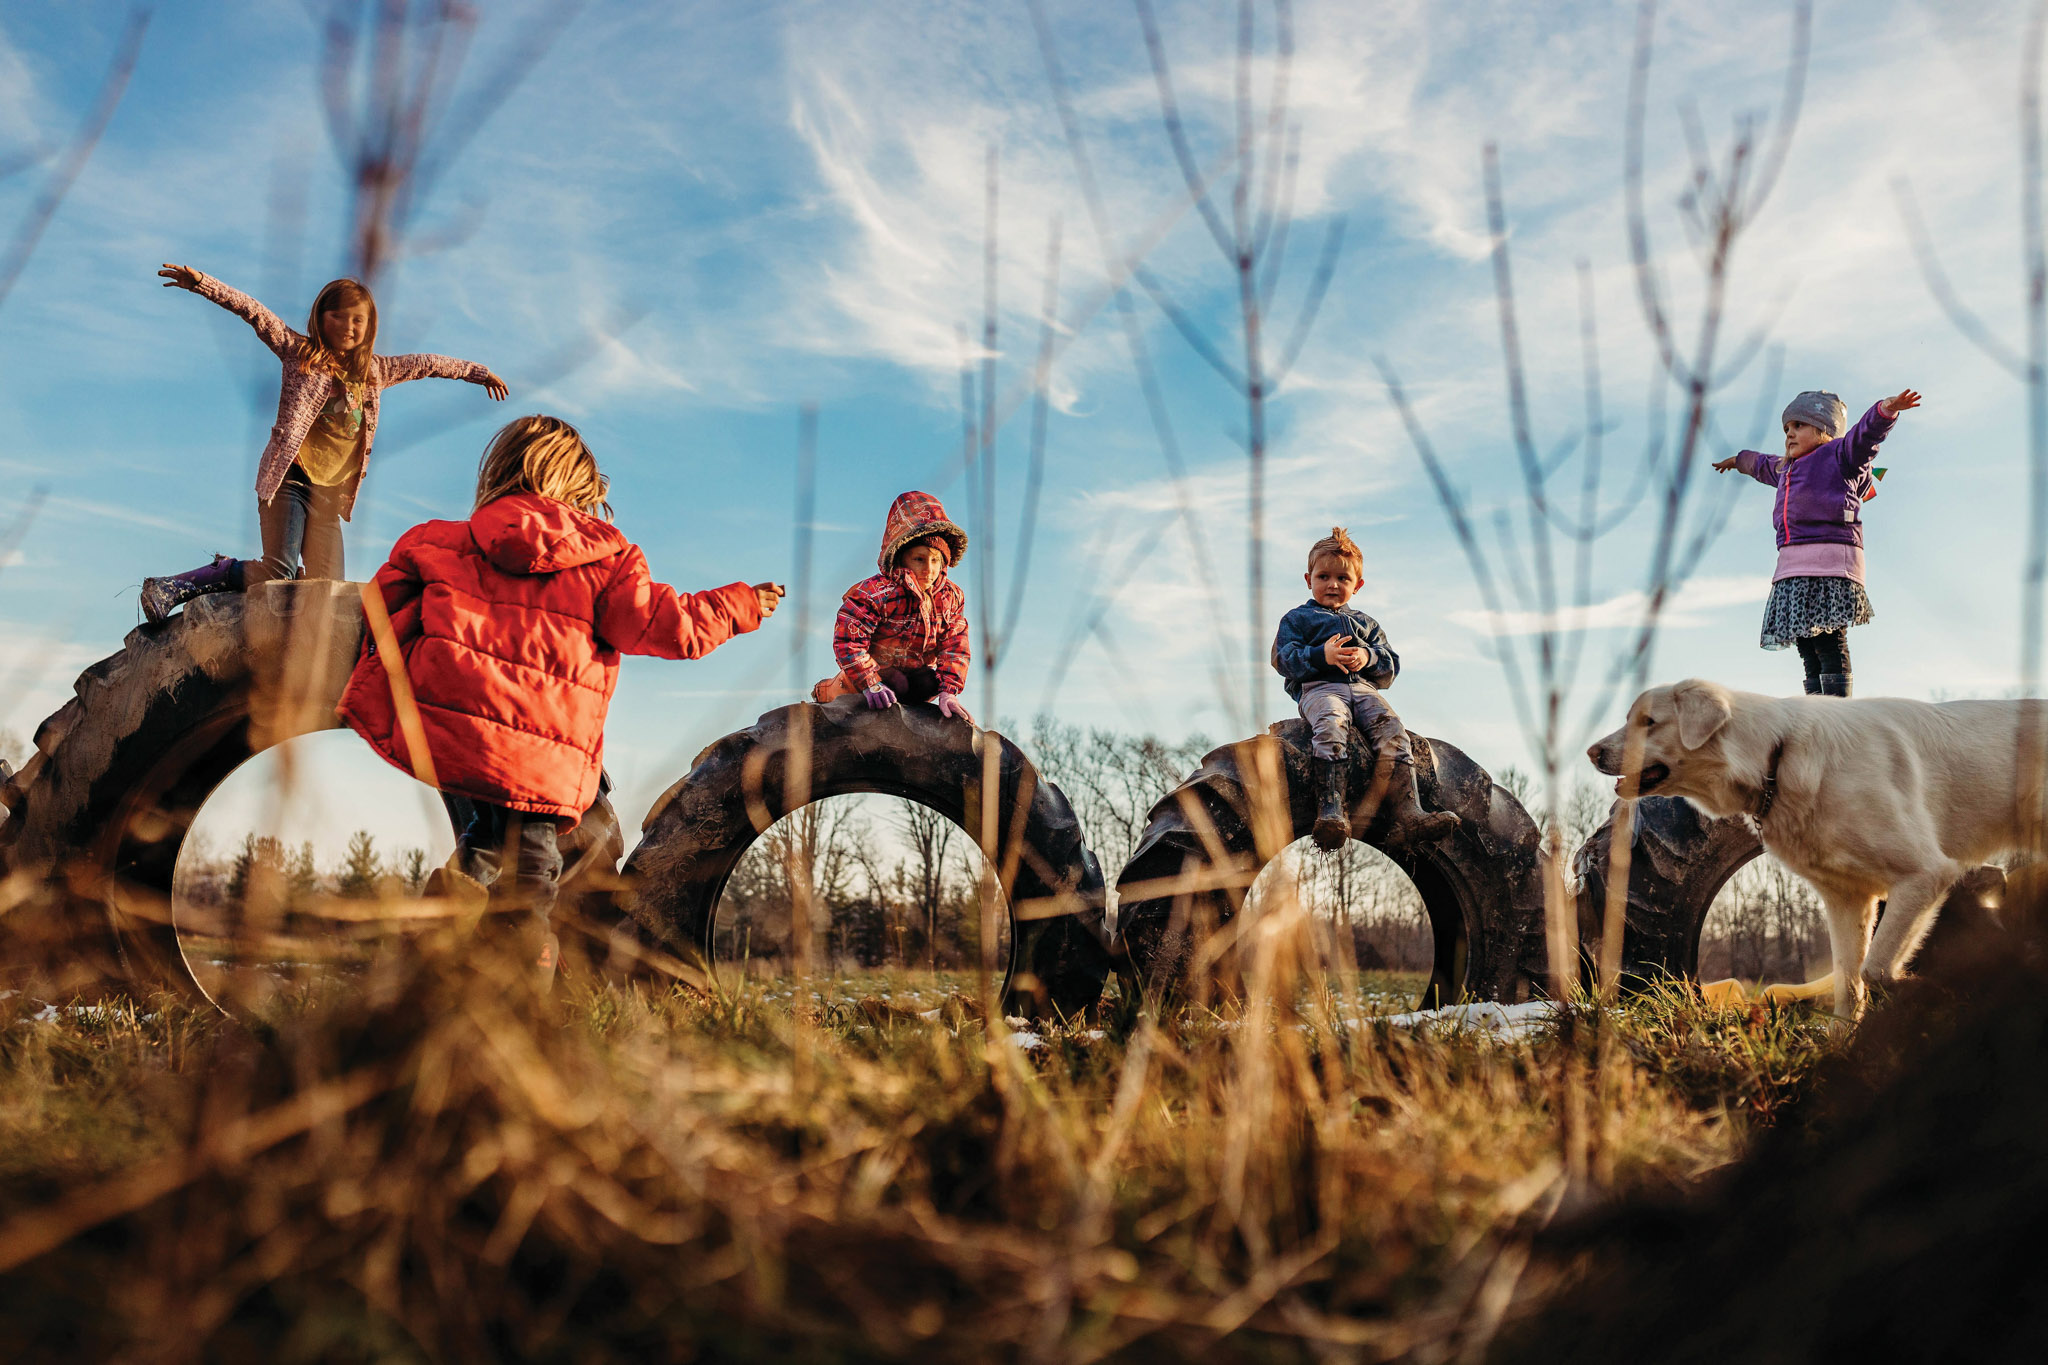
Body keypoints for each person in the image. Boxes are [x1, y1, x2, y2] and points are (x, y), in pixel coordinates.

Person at [337, 415, 782, 981]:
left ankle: (425, 955)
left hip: (462, 743)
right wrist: (741, 604)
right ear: (579, 488)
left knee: (481, 845)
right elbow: (666, 625)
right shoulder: (607, 558)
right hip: (541, 758)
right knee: (534, 874)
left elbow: (382, 609)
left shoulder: (441, 541)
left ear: (502, 472)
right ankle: (521, 993)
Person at [139, 264, 509, 621]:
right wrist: (201, 282)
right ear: (321, 318)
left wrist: (478, 372)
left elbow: (426, 363)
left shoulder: (375, 372)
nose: (349, 327)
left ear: (369, 326)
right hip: (289, 480)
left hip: (328, 495)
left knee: (329, 589)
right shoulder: (298, 352)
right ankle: (179, 584)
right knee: (278, 572)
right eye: (339, 316)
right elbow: (254, 312)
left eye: (358, 320)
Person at [1712, 387, 1920, 696]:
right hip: (1793, 566)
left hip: (1829, 562)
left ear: (1823, 430)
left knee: (1826, 639)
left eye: (1799, 426)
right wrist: (1738, 459)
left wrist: (1886, 410)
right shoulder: (1785, 468)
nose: (1789, 434)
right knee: (1805, 643)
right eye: (1786, 428)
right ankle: (1816, 708)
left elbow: (1866, 437)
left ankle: (1836, 710)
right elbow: (1759, 464)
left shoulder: (1840, 455)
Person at [1272, 527, 1458, 852]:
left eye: (1343, 579)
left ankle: (1409, 812)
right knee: (1331, 723)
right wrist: (1321, 655)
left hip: (1364, 691)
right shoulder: (1297, 619)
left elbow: (1390, 666)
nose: (1332, 584)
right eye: (1324, 576)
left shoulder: (1366, 625)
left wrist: (1366, 655)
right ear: (1308, 579)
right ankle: (1331, 810)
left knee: (1393, 729)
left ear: (1357, 585)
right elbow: (1283, 658)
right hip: (1320, 689)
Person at [810, 491, 974, 723]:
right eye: (919, 559)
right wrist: (870, 683)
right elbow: (849, 639)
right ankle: (832, 690)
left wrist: (949, 691)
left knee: (929, 682)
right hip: (876, 670)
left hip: (914, 671)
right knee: (895, 681)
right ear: (901, 558)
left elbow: (955, 645)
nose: (929, 569)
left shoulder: (951, 597)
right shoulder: (878, 592)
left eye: (935, 560)